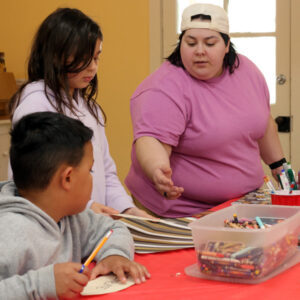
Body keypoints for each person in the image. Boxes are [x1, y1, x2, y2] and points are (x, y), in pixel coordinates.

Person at [125, 3, 285, 218]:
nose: (200, 51)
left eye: (210, 43)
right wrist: (158, 171)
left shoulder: (246, 70)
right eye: (190, 43)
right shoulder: (163, 88)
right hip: (183, 210)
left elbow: (262, 122)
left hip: (241, 203)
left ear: (227, 45)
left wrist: (279, 166)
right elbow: (150, 140)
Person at [9, 7, 152, 218]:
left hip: (91, 226)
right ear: (56, 55)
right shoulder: (35, 105)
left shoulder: (88, 109)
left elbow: (106, 171)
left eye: (96, 58)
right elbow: (35, 187)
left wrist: (127, 209)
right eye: (83, 59)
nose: (92, 68)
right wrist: (89, 206)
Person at [0, 112, 150, 299]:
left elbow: (112, 229)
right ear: (68, 178)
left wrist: (114, 254)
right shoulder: (10, 232)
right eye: (90, 170)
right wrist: (40, 284)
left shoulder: (70, 216)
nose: (92, 177)